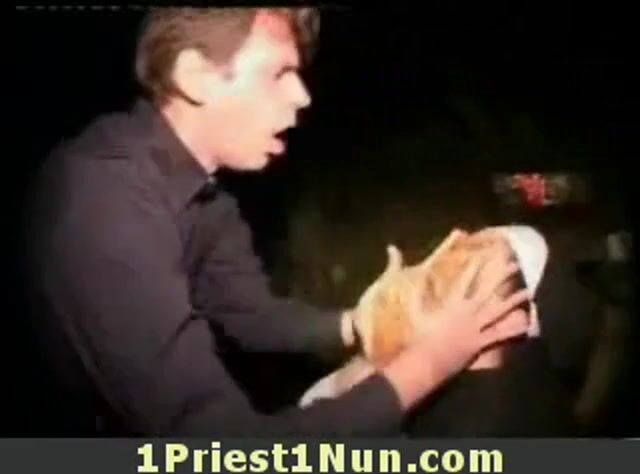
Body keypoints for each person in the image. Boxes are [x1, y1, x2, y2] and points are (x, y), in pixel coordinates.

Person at [23, 7, 530, 436]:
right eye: (279, 73)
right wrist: (434, 360)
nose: (302, 96)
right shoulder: (105, 206)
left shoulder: (201, 193)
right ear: (195, 76)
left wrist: (359, 321)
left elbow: (251, 316)